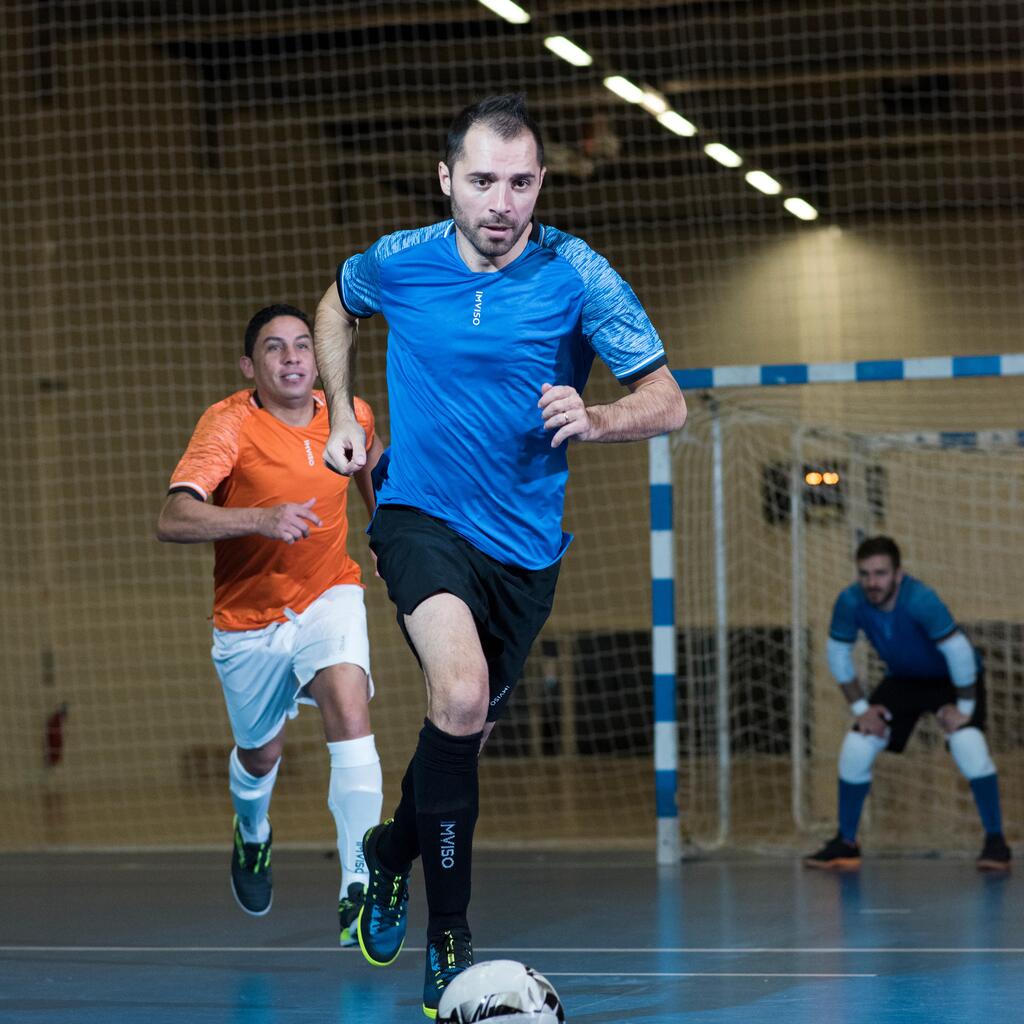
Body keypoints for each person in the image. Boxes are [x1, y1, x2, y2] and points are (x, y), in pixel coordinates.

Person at [312, 93, 687, 1018]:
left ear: (540, 185)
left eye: (520, 182)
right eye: (481, 180)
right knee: (463, 694)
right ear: (447, 181)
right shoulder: (400, 262)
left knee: (462, 730)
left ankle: (390, 854)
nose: (500, 202)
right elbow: (335, 303)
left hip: (524, 553)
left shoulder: (577, 273)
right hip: (419, 517)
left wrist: (597, 418)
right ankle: (451, 943)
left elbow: (670, 401)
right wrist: (338, 414)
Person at [156, 304, 386, 942]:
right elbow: (173, 518)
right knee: (262, 754)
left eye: (303, 346)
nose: (291, 358)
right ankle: (252, 832)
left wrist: (386, 527)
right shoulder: (229, 425)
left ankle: (359, 882)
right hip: (249, 619)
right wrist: (259, 518)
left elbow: (373, 465)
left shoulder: (350, 414)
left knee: (349, 701)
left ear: (319, 359)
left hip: (329, 594)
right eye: (274, 348)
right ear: (249, 365)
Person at [804, 535, 1011, 872]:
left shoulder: (921, 600)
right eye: (865, 574)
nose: (872, 582)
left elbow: (958, 653)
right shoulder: (850, 601)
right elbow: (838, 654)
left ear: (898, 575)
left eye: (881, 573)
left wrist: (964, 709)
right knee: (858, 743)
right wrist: (862, 710)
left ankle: (996, 842)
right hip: (904, 679)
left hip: (951, 679)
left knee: (967, 744)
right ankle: (846, 842)